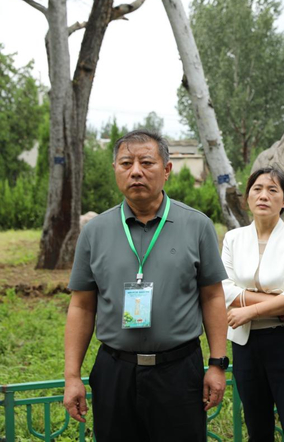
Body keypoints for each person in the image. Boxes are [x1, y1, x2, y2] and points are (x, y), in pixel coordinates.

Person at [63, 130, 229, 442]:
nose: (136, 171)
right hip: (115, 371)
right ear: (115, 169)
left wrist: (217, 364)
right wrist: (72, 376)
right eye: (126, 163)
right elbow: (82, 305)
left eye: (146, 162)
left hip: (179, 371)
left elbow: (212, 297)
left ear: (167, 170)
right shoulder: (94, 232)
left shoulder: (197, 226)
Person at [221, 167, 284, 442]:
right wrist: (281, 301)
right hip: (246, 344)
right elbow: (225, 289)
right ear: (247, 198)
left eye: (273, 190)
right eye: (257, 189)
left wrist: (249, 308)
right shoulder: (233, 239)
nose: (264, 195)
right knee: (257, 428)